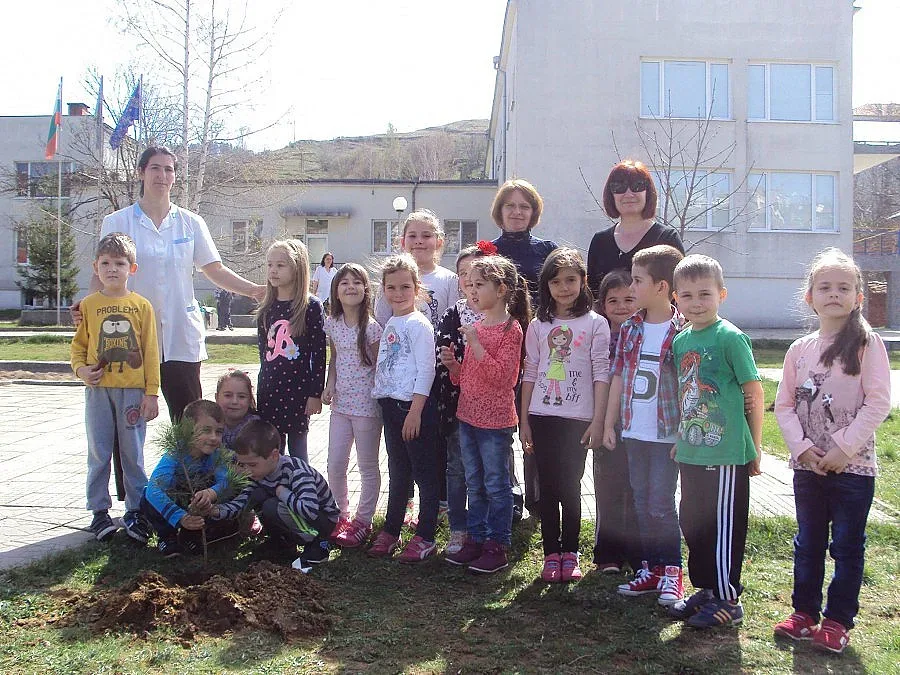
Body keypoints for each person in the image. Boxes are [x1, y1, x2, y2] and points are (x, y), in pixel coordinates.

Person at [74, 146, 265, 422]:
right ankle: (128, 468)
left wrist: (253, 290)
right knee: (126, 422)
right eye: (155, 168)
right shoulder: (117, 221)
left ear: (174, 177)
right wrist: (88, 307)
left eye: (168, 169)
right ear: (141, 173)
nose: (162, 175)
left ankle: (190, 468)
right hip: (129, 337)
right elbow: (102, 273)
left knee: (189, 421)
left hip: (179, 336)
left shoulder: (191, 223)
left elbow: (214, 268)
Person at [773, 248, 892, 653]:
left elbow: (878, 402)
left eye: (844, 287)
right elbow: (785, 405)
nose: (834, 294)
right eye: (824, 287)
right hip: (808, 468)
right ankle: (804, 613)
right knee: (808, 542)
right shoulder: (799, 349)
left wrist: (843, 448)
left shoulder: (867, 343)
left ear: (858, 296)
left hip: (852, 470)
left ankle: (838, 619)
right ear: (810, 296)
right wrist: (802, 449)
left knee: (846, 544)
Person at [668, 254, 764, 629]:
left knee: (723, 526)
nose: (696, 302)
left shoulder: (731, 337)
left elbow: (753, 392)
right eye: (688, 295)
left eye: (705, 294)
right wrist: (680, 438)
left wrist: (753, 447)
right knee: (693, 522)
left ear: (722, 294)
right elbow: (683, 393)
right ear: (676, 298)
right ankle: (706, 589)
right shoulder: (682, 341)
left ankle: (727, 598)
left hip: (726, 454)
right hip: (692, 450)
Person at [520, 248, 610, 582]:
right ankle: (550, 554)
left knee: (570, 486)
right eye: (556, 281)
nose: (564, 287)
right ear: (546, 285)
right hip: (542, 416)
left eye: (571, 280)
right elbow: (530, 372)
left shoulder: (596, 323)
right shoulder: (538, 325)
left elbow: (601, 372)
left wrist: (598, 420)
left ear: (583, 281)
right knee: (548, 487)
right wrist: (524, 420)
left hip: (578, 419)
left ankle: (570, 554)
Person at [603, 244, 685, 606]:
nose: (631, 288)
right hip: (634, 431)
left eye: (637, 281)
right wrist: (609, 423)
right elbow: (618, 374)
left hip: (667, 434)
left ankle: (672, 572)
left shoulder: (683, 329)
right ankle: (650, 568)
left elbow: (690, 385)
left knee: (661, 505)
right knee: (640, 500)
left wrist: (684, 434)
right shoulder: (632, 327)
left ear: (662, 287)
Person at [442, 255, 530, 574]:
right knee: (474, 482)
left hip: (495, 424)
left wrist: (476, 344)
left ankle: (498, 544)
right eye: (471, 285)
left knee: (496, 484)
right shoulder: (477, 326)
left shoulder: (511, 329)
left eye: (480, 285)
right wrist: (455, 367)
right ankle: (475, 539)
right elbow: (471, 377)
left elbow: (505, 379)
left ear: (502, 289)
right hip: (468, 417)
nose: (473, 291)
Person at [71, 232, 160, 544]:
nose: (112, 269)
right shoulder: (90, 306)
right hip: (98, 393)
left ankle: (137, 510)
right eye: (105, 263)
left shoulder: (142, 306)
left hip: (133, 392)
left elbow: (150, 351)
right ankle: (98, 511)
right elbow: (78, 348)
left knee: (132, 454)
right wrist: (82, 370)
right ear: (96, 267)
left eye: (119, 263)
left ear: (131, 268)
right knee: (99, 452)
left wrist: (152, 393)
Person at [374, 210, 457, 527]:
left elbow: (453, 320)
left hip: (436, 373)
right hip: (401, 380)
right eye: (413, 236)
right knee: (401, 449)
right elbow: (384, 326)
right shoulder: (391, 281)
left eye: (427, 236)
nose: (420, 241)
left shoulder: (448, 280)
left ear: (439, 242)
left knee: (433, 446)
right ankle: (405, 504)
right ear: (401, 241)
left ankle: (437, 506)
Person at [490, 179, 558, 519]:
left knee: (533, 425)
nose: (517, 212)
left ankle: (538, 499)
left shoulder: (547, 250)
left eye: (524, 207)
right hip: (496, 349)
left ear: (533, 212)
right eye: (510, 206)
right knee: (501, 427)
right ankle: (509, 496)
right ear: (499, 211)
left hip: (539, 351)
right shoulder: (486, 251)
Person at [367, 255, 439, 563]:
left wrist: (415, 411)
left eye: (405, 287)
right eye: (392, 287)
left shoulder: (419, 324)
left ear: (417, 288)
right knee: (398, 471)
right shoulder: (392, 322)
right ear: (383, 290)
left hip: (413, 409)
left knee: (424, 474)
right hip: (390, 407)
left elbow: (427, 369)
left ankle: (425, 535)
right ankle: (392, 529)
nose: (398, 293)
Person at [207, 418, 341, 566]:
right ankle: (281, 543)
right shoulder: (258, 474)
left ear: (274, 455)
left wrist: (283, 493)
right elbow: (241, 503)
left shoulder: (296, 472)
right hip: (297, 513)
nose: (246, 470)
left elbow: (310, 510)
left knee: (270, 505)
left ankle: (318, 544)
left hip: (322, 521)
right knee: (259, 496)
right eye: (242, 464)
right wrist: (215, 511)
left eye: (252, 464)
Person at [323, 263, 384, 549]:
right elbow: (335, 358)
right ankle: (340, 515)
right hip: (340, 406)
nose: (350, 287)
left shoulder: (372, 328)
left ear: (365, 289)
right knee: (335, 464)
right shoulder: (332, 323)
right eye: (344, 282)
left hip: (367, 408)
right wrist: (329, 384)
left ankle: (363, 520)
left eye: (356, 282)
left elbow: (379, 368)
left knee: (367, 465)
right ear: (336, 290)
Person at [435, 243, 489, 555]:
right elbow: (444, 359)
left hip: (491, 409)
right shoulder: (452, 314)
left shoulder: (499, 316)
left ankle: (486, 530)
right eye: (463, 273)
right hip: (458, 405)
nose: (469, 279)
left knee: (487, 470)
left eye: (476, 273)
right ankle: (458, 528)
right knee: (457, 469)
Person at [256, 239, 326, 462]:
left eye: (280, 265)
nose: (273, 270)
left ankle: (302, 493)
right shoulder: (266, 308)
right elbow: (263, 356)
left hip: (298, 391)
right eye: (269, 265)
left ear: (297, 268)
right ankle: (273, 495)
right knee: (271, 451)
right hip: (269, 390)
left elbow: (319, 354)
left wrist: (315, 394)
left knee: (298, 454)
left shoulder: (310, 307)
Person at [140, 400, 238, 558]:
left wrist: (211, 493)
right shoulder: (175, 453)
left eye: (219, 432)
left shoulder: (216, 454)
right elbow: (154, 489)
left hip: (196, 503)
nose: (213, 438)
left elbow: (226, 481)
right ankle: (167, 537)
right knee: (147, 498)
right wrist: (180, 517)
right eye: (206, 430)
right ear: (188, 430)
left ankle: (191, 536)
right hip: (176, 502)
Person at [592, 270, 640, 574]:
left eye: (629, 299)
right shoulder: (600, 337)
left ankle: (638, 554)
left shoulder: (646, 333)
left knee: (638, 489)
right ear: (603, 305)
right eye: (613, 300)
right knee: (608, 487)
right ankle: (607, 553)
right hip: (607, 424)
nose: (621, 306)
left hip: (641, 425)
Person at [586, 159, 684, 298]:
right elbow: (592, 294)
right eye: (619, 186)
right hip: (606, 320)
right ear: (611, 195)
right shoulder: (600, 241)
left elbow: (679, 290)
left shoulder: (667, 238)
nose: (628, 194)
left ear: (648, 191)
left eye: (637, 186)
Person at [214, 369, 260, 450]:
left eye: (241, 396)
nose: (234, 401)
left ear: (250, 400)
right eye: (228, 395)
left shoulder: (256, 427)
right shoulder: (210, 423)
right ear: (216, 397)